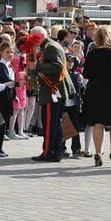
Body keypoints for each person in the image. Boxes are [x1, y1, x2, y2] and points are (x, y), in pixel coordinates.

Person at [81, 25, 111, 167]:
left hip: (95, 90)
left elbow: (86, 74)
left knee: (98, 123)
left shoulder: (92, 54)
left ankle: (98, 153)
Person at [30, 26, 75, 163]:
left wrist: (36, 67)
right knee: (55, 123)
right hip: (55, 90)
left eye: (33, 38)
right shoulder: (50, 45)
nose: (32, 41)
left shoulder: (50, 47)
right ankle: (56, 151)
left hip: (52, 90)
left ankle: (49, 152)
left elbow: (57, 67)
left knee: (50, 123)